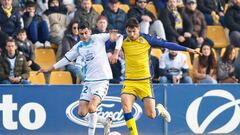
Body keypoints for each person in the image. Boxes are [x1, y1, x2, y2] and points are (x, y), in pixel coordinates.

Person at [38, 21, 123, 135]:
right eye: (81, 34)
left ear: (90, 32)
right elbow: (66, 59)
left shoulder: (98, 38)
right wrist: (49, 68)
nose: (83, 36)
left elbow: (119, 36)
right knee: (82, 112)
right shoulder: (79, 46)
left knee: (92, 107)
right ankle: (105, 122)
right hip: (88, 82)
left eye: (85, 33)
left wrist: (116, 53)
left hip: (102, 80)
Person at [119, 18, 200, 135]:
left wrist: (186, 49)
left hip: (144, 82)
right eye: (129, 31)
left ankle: (160, 109)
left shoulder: (147, 39)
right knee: (126, 107)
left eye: (134, 31)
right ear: (126, 30)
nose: (131, 34)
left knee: (151, 115)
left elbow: (167, 44)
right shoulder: (122, 39)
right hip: (129, 81)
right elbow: (105, 43)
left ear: (139, 29)